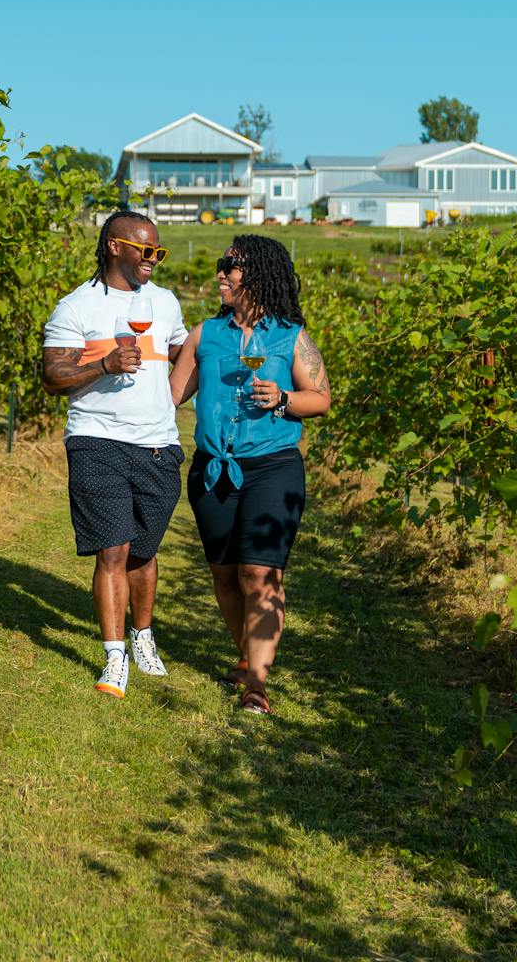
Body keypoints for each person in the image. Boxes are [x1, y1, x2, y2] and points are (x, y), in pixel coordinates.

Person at [168, 235, 330, 716]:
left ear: (256, 274)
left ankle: (256, 684)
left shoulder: (290, 337)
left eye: (229, 267)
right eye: (222, 266)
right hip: (213, 470)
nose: (220, 274)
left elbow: (320, 398)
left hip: (273, 468)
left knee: (259, 573)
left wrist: (282, 399)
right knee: (225, 576)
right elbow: (171, 396)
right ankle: (246, 654)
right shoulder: (204, 335)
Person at [41, 210, 188, 699]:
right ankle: (115, 655)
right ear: (115, 247)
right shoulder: (76, 307)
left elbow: (189, 359)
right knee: (113, 549)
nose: (153, 259)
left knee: (143, 553)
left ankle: (144, 636)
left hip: (158, 445)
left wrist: (172, 399)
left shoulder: (164, 303)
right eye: (145, 250)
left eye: (158, 251)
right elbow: (53, 377)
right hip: (96, 439)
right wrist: (103, 364)